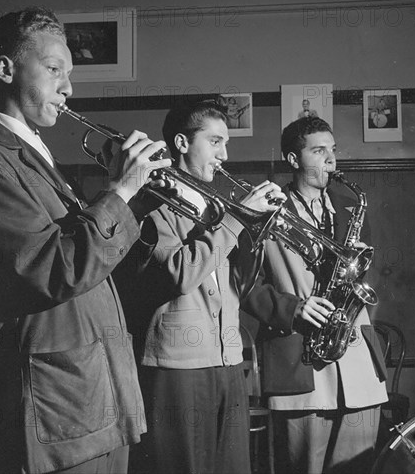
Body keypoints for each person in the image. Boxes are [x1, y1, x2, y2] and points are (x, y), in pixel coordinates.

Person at [0, 7, 172, 474]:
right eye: (53, 70)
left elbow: (95, 264)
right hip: (56, 410)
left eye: (69, 74)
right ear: (6, 70)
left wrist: (137, 204)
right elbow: (50, 269)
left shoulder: (33, 155)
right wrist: (119, 192)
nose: (68, 88)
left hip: (96, 397)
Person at [114, 102, 334, 474]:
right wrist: (237, 220)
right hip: (178, 364)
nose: (224, 155)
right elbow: (180, 274)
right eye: (215, 141)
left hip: (229, 360)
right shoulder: (152, 200)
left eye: (226, 143)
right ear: (182, 143)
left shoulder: (218, 204)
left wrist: (258, 230)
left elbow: (242, 285)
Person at [250, 117, 388, 474]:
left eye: (333, 150)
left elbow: (360, 276)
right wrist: (293, 308)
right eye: (318, 150)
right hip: (301, 363)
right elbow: (243, 286)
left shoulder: (350, 204)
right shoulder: (263, 208)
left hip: (358, 366)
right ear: (293, 159)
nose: (331, 160)